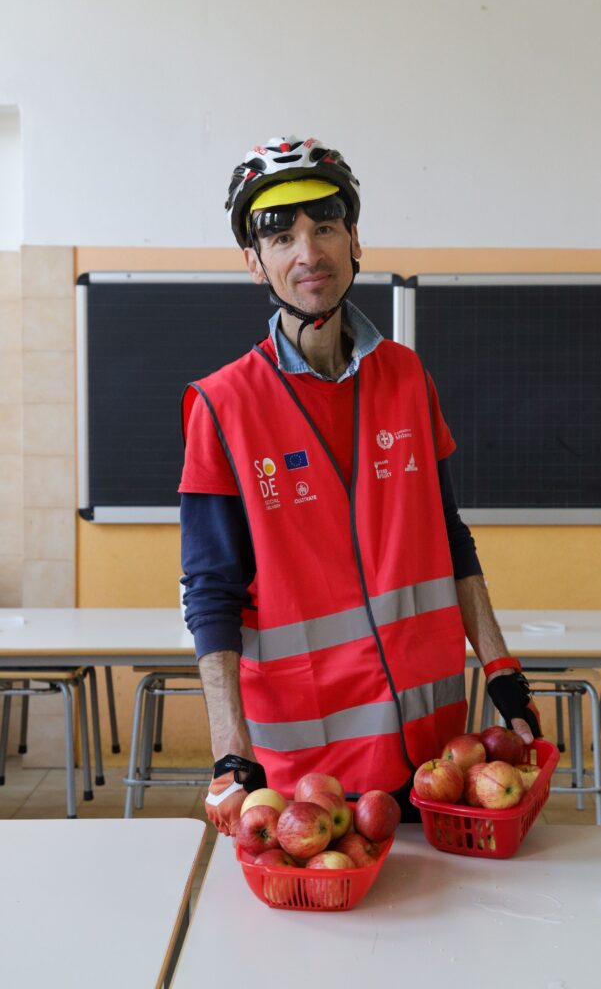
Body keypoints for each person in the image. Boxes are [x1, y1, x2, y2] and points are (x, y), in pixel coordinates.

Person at [179, 135, 541, 837]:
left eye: (325, 227)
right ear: (255, 263)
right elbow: (211, 592)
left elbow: (450, 537)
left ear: (354, 240)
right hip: (308, 774)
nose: (307, 252)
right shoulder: (222, 405)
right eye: (280, 237)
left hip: (434, 751)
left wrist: (501, 669)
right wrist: (230, 750)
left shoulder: (407, 377)